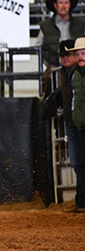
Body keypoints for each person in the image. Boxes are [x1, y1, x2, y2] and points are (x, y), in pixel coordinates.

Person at [36, 0, 85, 68]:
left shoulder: (81, 23)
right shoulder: (45, 25)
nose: (63, 6)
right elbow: (38, 48)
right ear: (55, 5)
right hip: (55, 64)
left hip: (78, 64)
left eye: (66, 3)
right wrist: (48, 63)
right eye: (61, 3)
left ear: (70, 5)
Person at [65, 37, 85, 213]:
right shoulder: (76, 74)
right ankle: (81, 202)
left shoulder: (77, 74)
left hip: (81, 123)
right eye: (77, 53)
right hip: (80, 125)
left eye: (83, 53)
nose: (80, 56)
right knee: (81, 164)